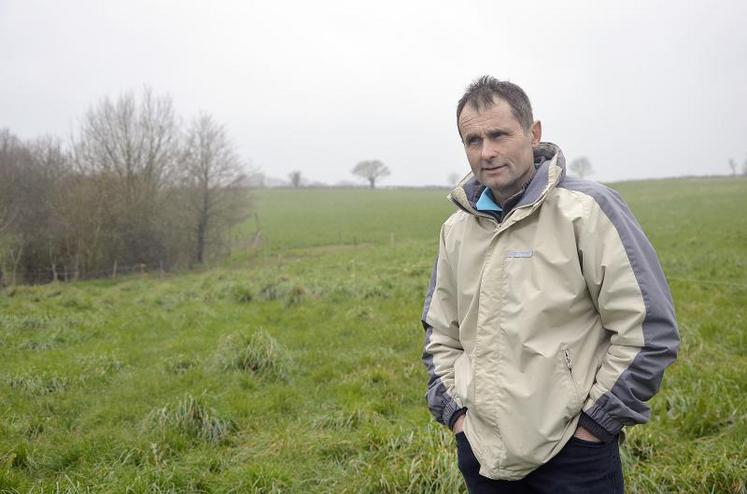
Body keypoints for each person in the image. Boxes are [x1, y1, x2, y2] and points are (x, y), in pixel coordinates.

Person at [421, 76, 679, 493]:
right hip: (482, 454)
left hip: (575, 457)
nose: (486, 152)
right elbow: (440, 334)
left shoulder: (587, 211)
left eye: (499, 135)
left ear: (533, 133)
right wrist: (456, 416)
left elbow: (649, 330)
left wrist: (596, 425)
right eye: (473, 140)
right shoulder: (456, 229)